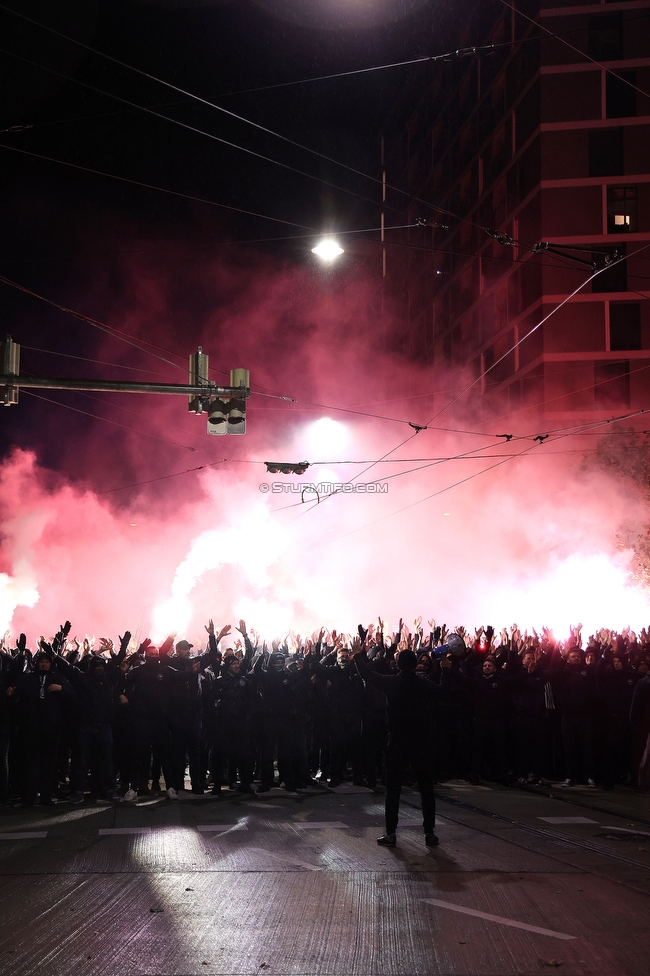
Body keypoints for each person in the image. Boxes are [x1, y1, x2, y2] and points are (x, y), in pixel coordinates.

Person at [351, 635, 440, 848]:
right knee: (426, 789)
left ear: (398, 664)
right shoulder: (423, 684)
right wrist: (442, 665)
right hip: (421, 742)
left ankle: (391, 833)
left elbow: (368, 674)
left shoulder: (391, 683)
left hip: (398, 741)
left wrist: (357, 656)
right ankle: (429, 833)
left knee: (393, 790)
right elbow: (440, 689)